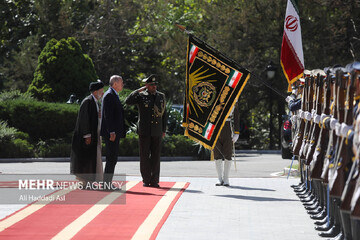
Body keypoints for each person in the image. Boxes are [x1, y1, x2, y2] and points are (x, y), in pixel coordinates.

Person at [125, 74, 167, 188]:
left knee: (156, 156)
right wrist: (138, 90)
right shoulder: (141, 96)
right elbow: (128, 101)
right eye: (151, 85)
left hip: (157, 131)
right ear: (146, 86)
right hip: (144, 130)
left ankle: (155, 180)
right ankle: (146, 179)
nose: (154, 87)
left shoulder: (161, 96)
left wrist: (163, 130)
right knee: (144, 155)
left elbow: (164, 115)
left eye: (155, 85)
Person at [70, 80, 104, 187]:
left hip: (94, 136)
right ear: (95, 91)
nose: (102, 93)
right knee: (86, 160)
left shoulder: (94, 101)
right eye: (101, 91)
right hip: (86, 137)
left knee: (91, 160)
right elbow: (84, 120)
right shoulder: (87, 101)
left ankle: (89, 181)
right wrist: (87, 135)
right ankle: (85, 182)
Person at [101, 75, 126, 190]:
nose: (123, 84)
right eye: (121, 82)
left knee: (113, 158)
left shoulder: (113, 94)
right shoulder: (109, 95)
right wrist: (111, 131)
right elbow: (108, 116)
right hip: (112, 133)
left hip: (114, 132)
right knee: (111, 158)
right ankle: (106, 184)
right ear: (115, 83)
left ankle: (107, 183)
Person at [214, 101, 240, 187]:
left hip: (227, 127)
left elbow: (236, 116)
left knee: (228, 154)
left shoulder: (233, 97)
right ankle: (219, 178)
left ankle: (226, 178)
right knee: (217, 154)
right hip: (216, 127)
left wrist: (236, 132)